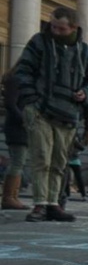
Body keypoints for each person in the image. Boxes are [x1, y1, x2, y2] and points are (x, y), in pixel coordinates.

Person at [15, 6, 88, 221]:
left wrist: (87, 93)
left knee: (59, 162)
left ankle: (53, 203)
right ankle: (40, 204)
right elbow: (23, 71)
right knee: (41, 157)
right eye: (53, 27)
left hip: (68, 114)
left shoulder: (84, 51)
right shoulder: (39, 42)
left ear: (73, 28)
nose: (55, 31)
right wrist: (30, 101)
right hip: (40, 110)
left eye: (61, 29)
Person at [1, 62, 28, 210]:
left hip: (19, 127)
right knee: (17, 161)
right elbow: (11, 104)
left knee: (19, 161)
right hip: (17, 127)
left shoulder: (19, 79)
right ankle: (9, 197)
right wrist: (24, 120)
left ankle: (13, 196)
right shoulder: (16, 79)